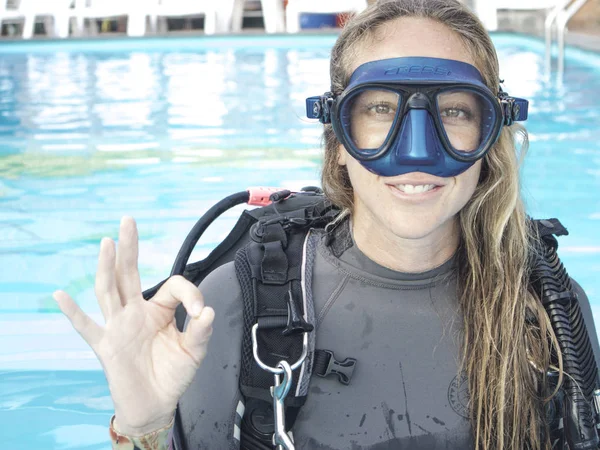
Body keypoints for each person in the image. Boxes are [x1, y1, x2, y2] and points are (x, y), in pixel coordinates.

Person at [53, 0, 600, 449]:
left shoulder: (548, 309)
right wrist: (142, 427)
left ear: (490, 137)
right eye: (380, 110)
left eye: (455, 111)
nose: (415, 152)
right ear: (337, 141)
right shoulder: (238, 305)